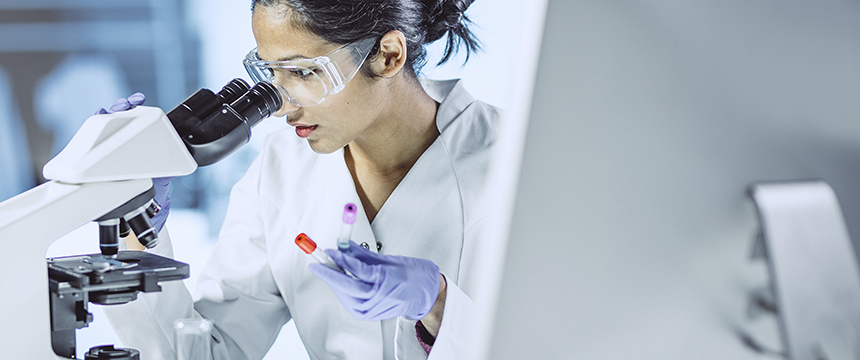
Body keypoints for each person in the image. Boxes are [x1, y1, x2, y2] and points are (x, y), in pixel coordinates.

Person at [104, 0, 499, 359]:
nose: (282, 108)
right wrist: (136, 227)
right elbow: (203, 352)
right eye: (271, 73)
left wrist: (439, 305)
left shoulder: (510, 159)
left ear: (388, 55)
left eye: (305, 72)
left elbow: (535, 342)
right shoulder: (281, 169)